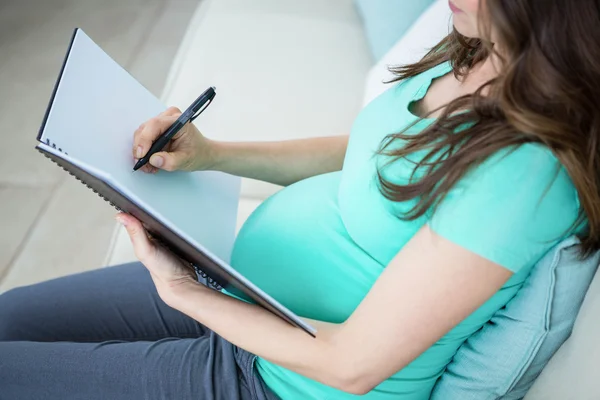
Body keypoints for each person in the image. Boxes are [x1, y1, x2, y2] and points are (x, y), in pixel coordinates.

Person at [2, 0, 599, 398]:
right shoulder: (479, 51)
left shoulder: (526, 170)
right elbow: (374, 155)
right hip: (234, 285)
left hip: (280, 379)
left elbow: (354, 364)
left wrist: (180, 289)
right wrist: (212, 153)